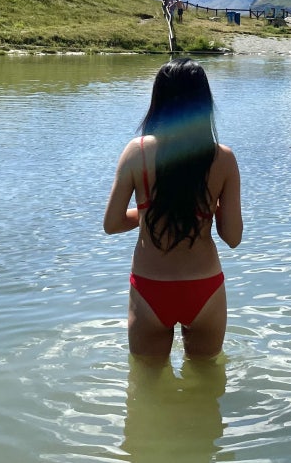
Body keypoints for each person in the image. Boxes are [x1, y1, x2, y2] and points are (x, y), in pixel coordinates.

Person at [103, 59, 243, 360]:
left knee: (146, 386)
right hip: (203, 287)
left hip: (150, 287)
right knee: (207, 383)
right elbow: (232, 237)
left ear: (159, 100)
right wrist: (210, 206)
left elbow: (112, 223)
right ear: (204, 103)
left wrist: (147, 212)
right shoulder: (224, 159)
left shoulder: (136, 151)